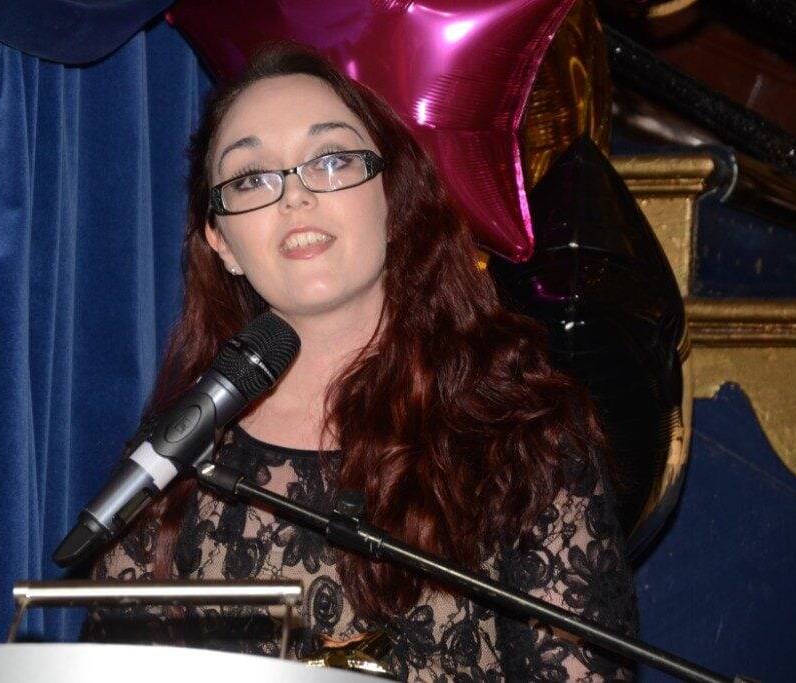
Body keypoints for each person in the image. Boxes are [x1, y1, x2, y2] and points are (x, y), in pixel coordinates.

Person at [81, 43, 638, 681]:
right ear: (221, 241)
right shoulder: (172, 465)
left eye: (331, 160)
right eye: (251, 178)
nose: (294, 197)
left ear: (392, 198)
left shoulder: (523, 433)